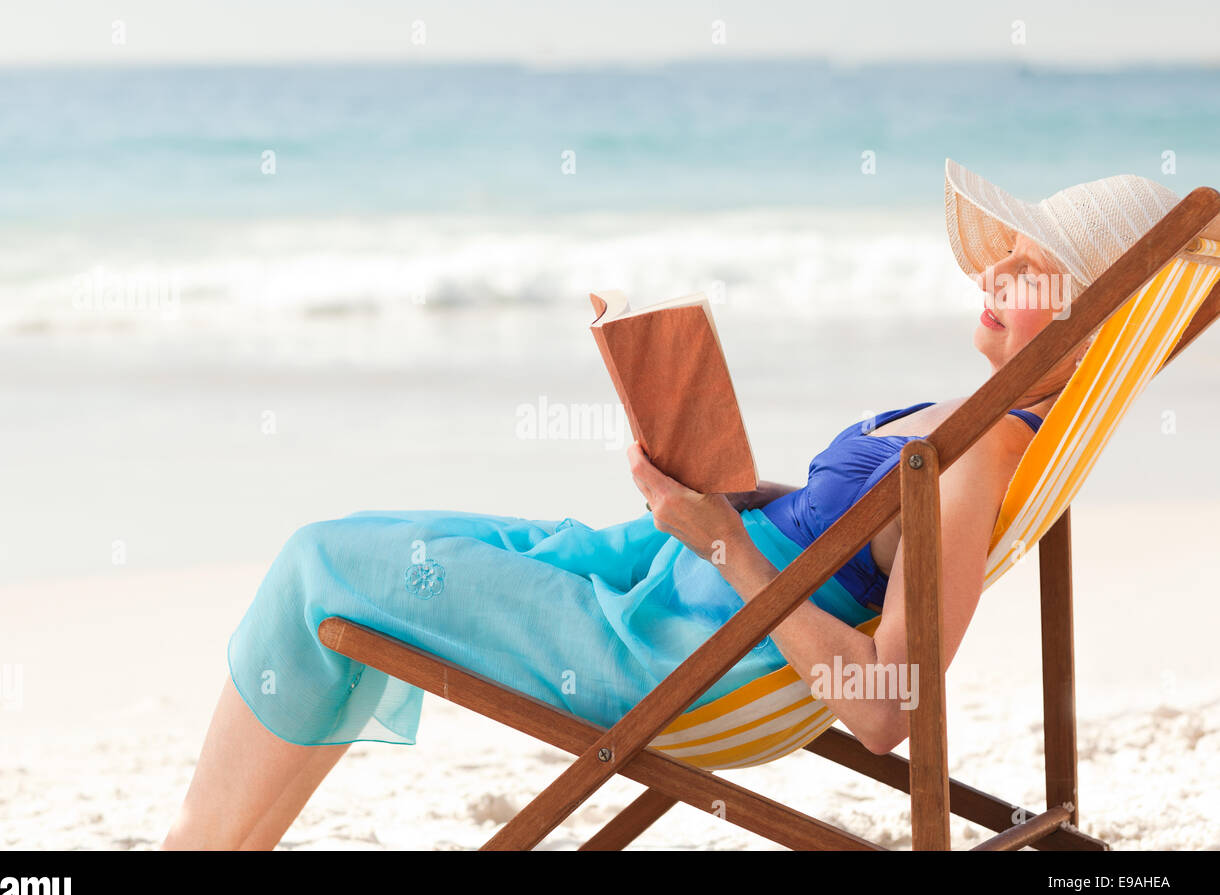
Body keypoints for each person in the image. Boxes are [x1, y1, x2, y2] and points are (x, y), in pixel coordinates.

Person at [160, 159, 1182, 850]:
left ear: (1090, 324)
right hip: (645, 575)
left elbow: (882, 709)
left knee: (321, 568)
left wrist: (729, 544)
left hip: (663, 654)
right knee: (359, 556)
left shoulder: (972, 462)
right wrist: (733, 494)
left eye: (1036, 268)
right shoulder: (971, 415)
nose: (995, 269)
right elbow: (846, 532)